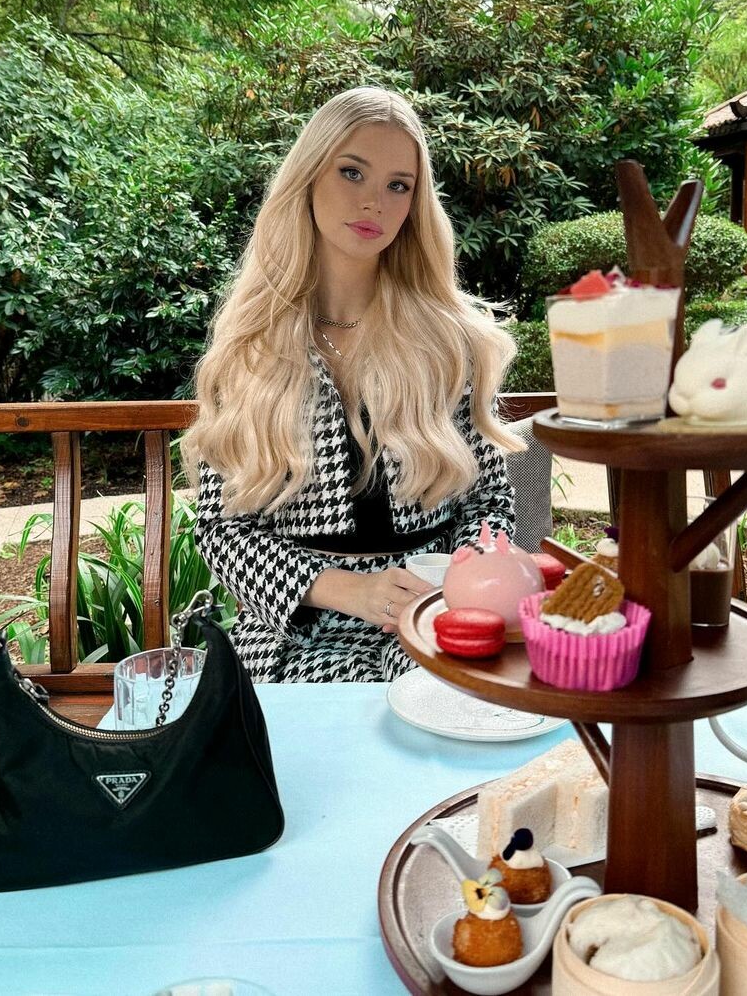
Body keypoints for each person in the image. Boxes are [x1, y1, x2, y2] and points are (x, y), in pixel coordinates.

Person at [179, 87, 525, 683]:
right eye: (352, 172)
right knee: (334, 713)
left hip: (432, 611)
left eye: (398, 185)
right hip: (291, 629)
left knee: (439, 693)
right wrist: (350, 590)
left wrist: (453, 583)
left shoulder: (450, 341)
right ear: (309, 177)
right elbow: (221, 530)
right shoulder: (249, 345)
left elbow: (490, 502)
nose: (374, 202)